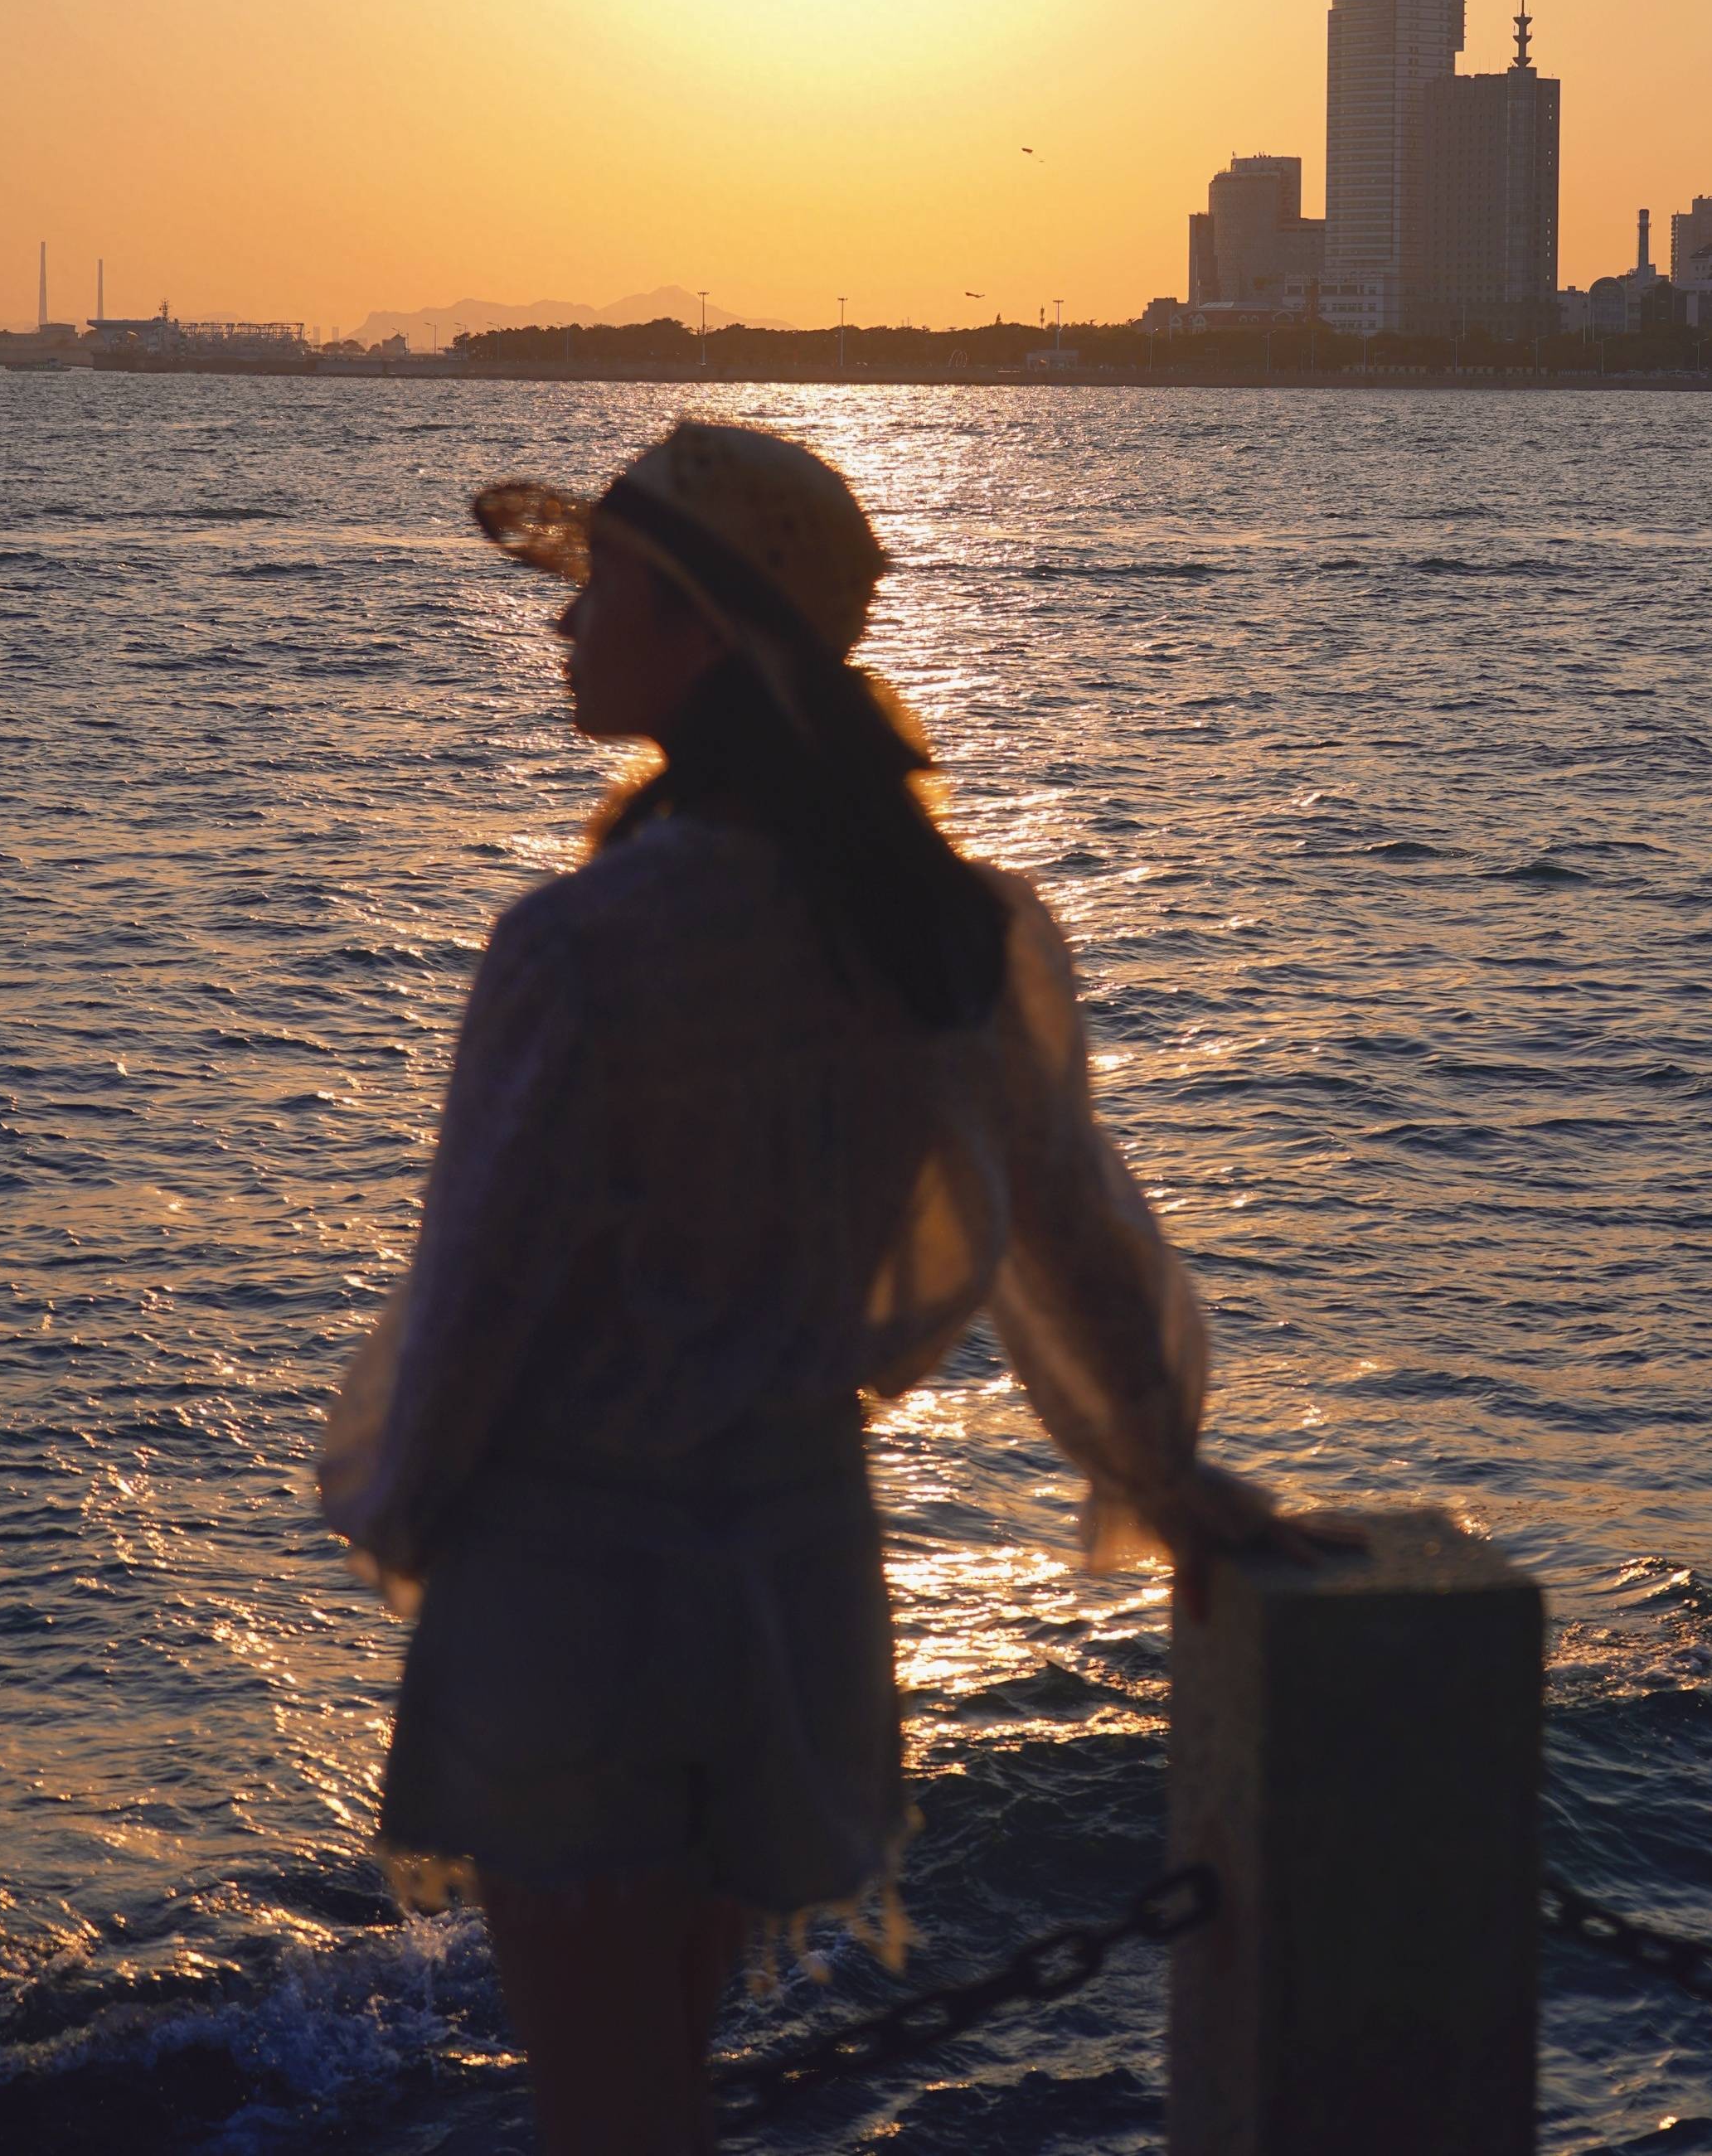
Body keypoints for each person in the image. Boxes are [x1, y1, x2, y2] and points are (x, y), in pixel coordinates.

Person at [318, 420, 1324, 2156]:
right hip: (790, 1569)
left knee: (602, 2116)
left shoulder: (575, 946)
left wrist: (406, 1517)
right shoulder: (947, 926)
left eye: (599, 590)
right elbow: (1073, 1239)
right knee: (668, 2095)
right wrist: (1161, 1473)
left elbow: (476, 1300)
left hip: (579, 1579)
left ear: (700, 628)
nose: (560, 629)